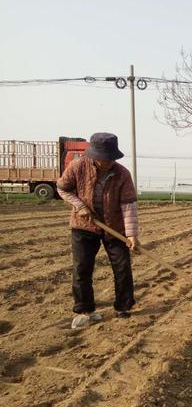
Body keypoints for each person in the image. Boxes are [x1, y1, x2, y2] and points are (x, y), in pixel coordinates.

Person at [57, 132, 139, 329]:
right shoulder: (78, 166)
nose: (107, 162)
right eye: (103, 158)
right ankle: (85, 310)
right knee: (82, 268)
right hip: (84, 226)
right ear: (93, 155)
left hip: (114, 227)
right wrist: (79, 206)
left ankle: (123, 307)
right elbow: (63, 189)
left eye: (111, 158)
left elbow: (129, 206)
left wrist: (132, 234)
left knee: (122, 267)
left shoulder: (122, 174)